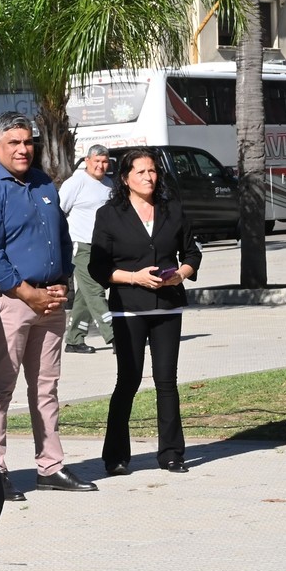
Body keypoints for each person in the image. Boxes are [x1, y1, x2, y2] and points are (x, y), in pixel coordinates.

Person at [0, 112, 96, 503]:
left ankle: (50, 466)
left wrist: (64, 278)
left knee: (46, 388)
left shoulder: (42, 183)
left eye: (27, 142)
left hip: (50, 299)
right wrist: (25, 292)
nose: (23, 149)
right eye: (14, 143)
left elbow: (61, 233)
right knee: (1, 387)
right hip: (10, 300)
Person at [89, 148, 200, 476]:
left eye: (152, 171)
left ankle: (171, 453)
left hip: (168, 305)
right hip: (128, 308)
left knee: (167, 380)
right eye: (140, 172)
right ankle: (116, 456)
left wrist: (181, 274)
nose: (149, 177)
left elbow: (192, 252)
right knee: (129, 379)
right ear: (125, 178)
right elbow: (98, 267)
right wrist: (133, 277)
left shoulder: (173, 209)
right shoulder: (109, 214)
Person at [59, 144, 116, 354]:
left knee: (85, 294)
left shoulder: (109, 184)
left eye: (104, 161)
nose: (101, 166)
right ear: (86, 161)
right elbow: (58, 212)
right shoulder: (75, 183)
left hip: (102, 247)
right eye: (97, 161)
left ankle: (74, 339)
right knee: (95, 291)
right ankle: (115, 336)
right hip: (80, 246)